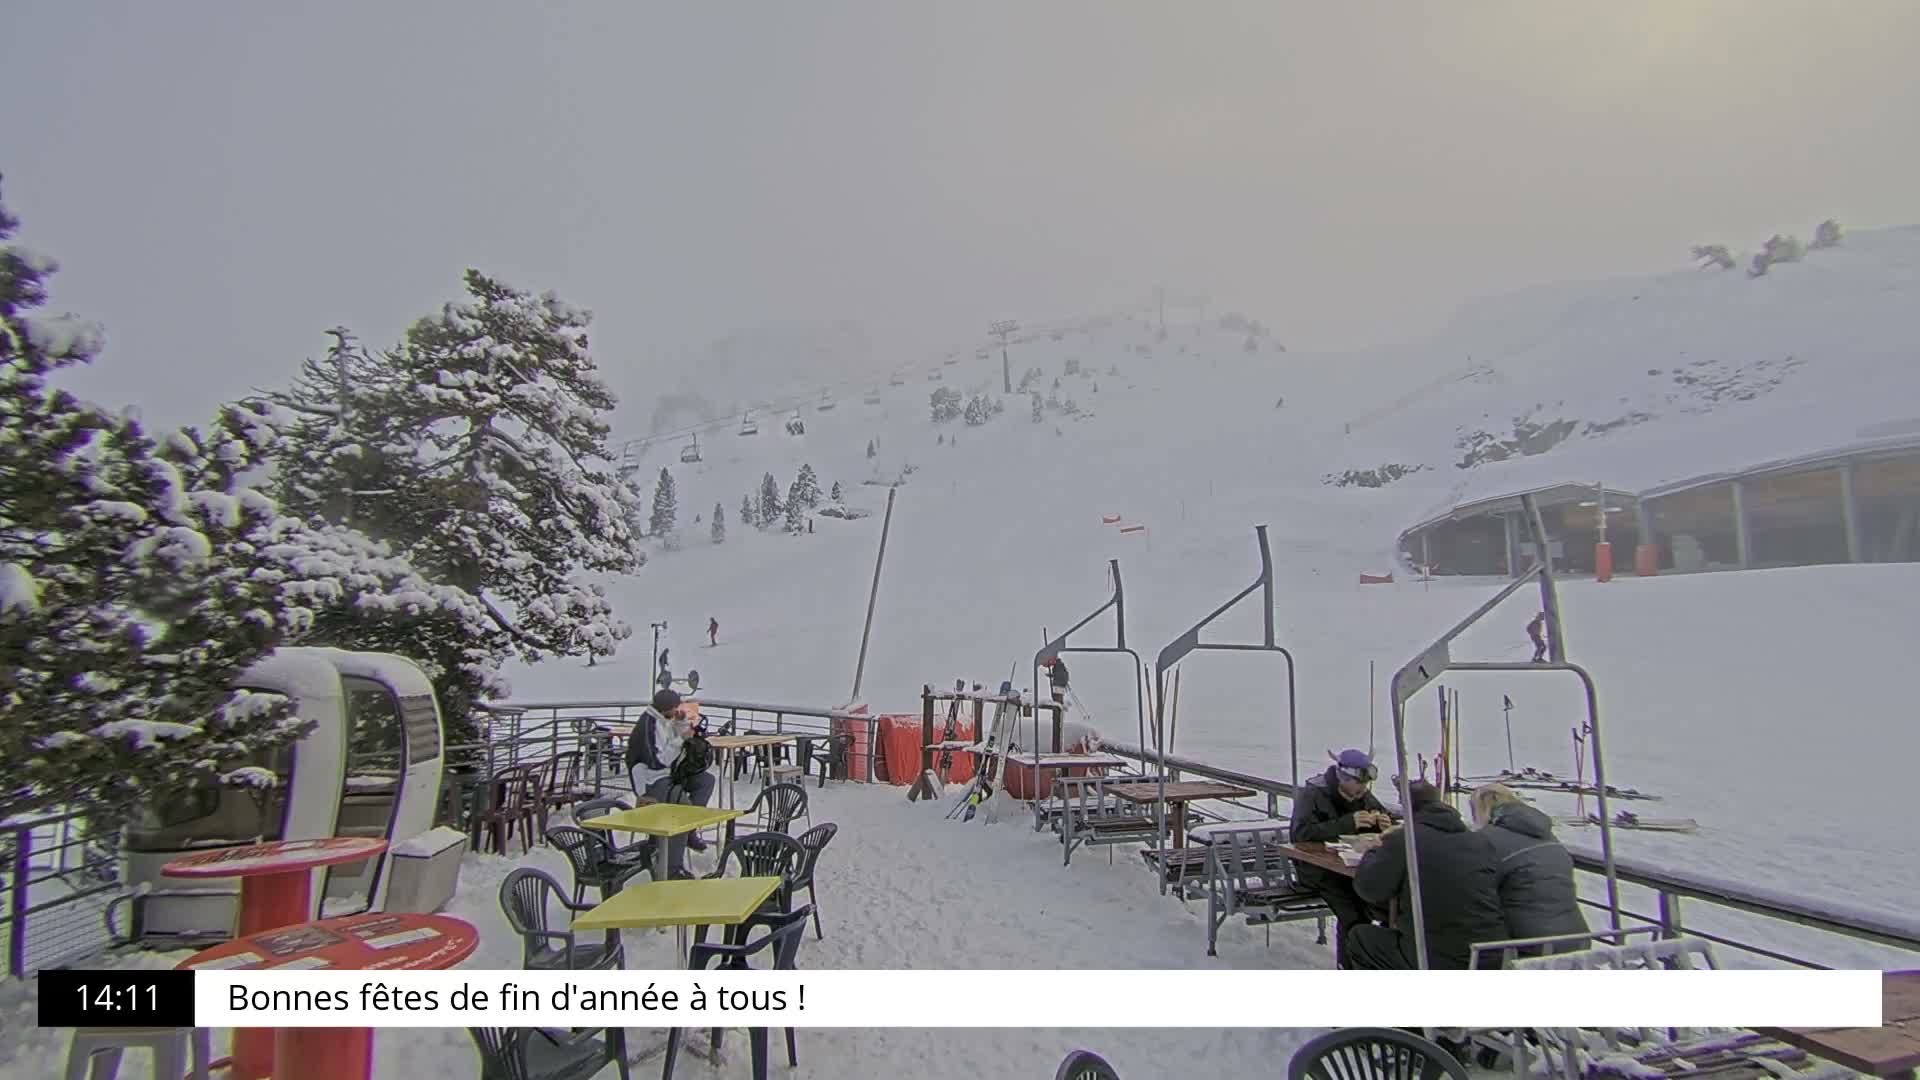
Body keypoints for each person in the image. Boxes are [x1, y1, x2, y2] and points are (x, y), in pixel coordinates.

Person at [1347, 780, 1506, 970]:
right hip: (1489, 954)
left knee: (1360, 938)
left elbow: (1369, 889)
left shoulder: (1406, 839)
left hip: (1436, 957)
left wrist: (1374, 849)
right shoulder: (1478, 841)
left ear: (1408, 807)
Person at [1289, 748, 1393, 968]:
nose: (1363, 790)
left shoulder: (1363, 794)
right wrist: (1348, 823)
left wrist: (1384, 823)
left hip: (1352, 866)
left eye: (1365, 786)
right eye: (1359, 784)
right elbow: (1300, 834)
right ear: (1342, 778)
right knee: (1352, 913)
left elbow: (1381, 813)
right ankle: (1349, 965)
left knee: (1386, 906)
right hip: (1317, 869)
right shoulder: (1313, 793)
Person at [1469, 784, 1589, 955]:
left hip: (1531, 944)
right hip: (1576, 939)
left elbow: (1477, 889)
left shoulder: (1487, 839)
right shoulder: (1545, 834)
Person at [625, 689, 699, 875]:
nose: (677, 711)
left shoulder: (665, 720)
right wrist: (680, 739)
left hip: (667, 775)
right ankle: (672, 865)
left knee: (705, 781)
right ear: (666, 708)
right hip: (650, 780)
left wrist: (681, 724)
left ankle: (687, 832)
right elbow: (659, 762)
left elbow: (674, 741)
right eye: (675, 708)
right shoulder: (649, 726)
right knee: (683, 812)